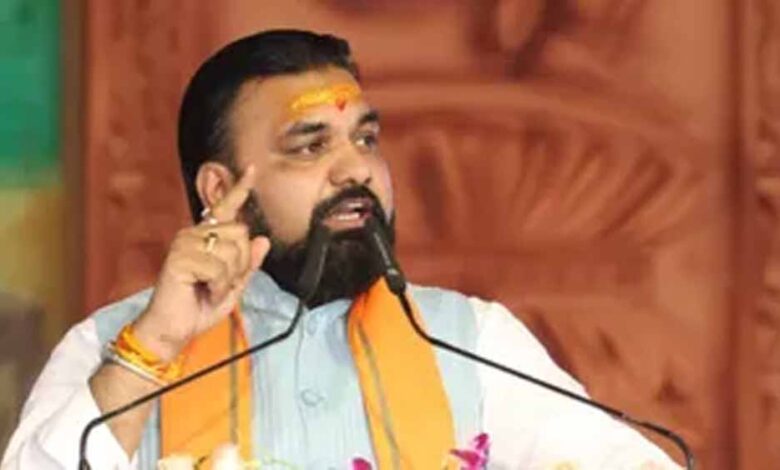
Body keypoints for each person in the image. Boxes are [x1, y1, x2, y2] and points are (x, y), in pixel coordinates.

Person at [1, 30, 682, 469]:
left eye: (365, 139)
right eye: (310, 147)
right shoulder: (113, 346)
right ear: (221, 189)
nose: (356, 169)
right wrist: (152, 348)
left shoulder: (472, 341)